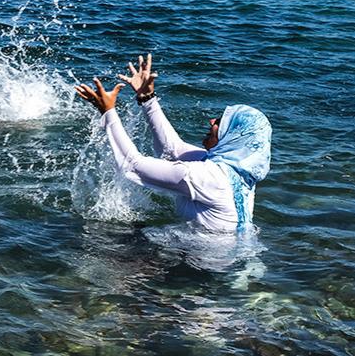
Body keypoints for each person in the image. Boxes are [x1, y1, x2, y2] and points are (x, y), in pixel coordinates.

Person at [75, 54, 271, 232]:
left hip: (203, 265)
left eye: (220, 122)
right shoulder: (234, 169)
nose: (212, 121)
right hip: (222, 256)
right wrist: (147, 99)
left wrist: (108, 112)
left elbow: (132, 166)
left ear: (234, 137)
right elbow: (172, 148)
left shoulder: (209, 177)